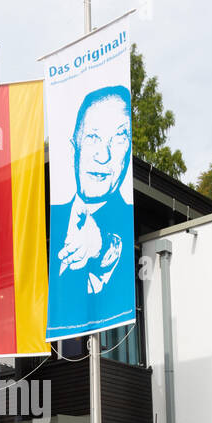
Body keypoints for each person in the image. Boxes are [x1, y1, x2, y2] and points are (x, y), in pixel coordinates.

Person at [50, 85, 133, 298]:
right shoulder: (49, 221)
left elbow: (115, 247)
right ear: (73, 148)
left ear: (128, 151)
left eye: (118, 138)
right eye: (93, 138)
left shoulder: (129, 221)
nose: (103, 155)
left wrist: (99, 245)